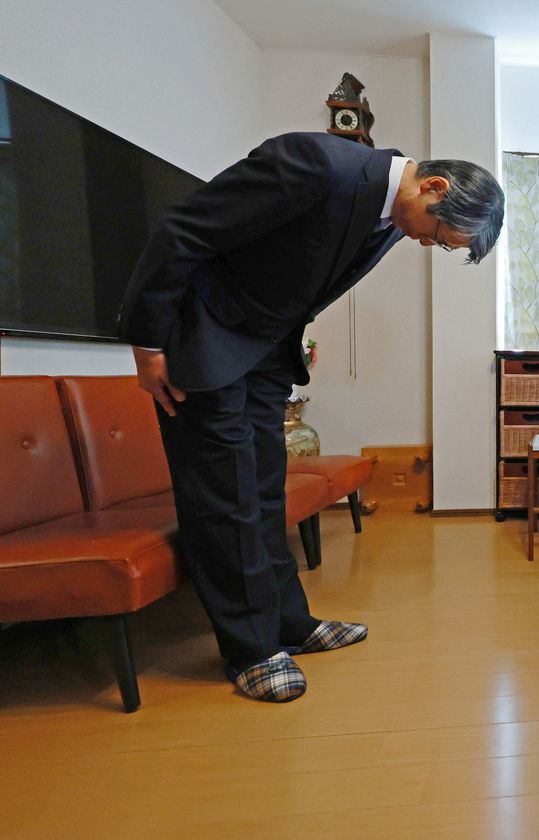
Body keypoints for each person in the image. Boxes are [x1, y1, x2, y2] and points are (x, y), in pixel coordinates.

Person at [117, 132, 504, 702]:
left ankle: (290, 625)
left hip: (264, 354)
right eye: (439, 234)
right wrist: (148, 342)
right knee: (224, 499)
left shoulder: (392, 217)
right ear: (435, 187)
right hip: (204, 343)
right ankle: (251, 651)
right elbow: (184, 230)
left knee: (263, 492)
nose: (428, 243)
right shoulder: (320, 164)